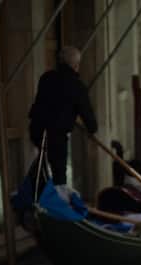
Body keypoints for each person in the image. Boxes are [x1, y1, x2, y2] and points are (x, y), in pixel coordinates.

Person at [27, 46, 98, 187]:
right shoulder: (77, 86)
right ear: (76, 65)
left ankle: (42, 197)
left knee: (42, 167)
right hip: (56, 135)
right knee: (59, 173)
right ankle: (57, 201)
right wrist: (92, 130)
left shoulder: (46, 78)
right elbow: (87, 116)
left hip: (37, 130)